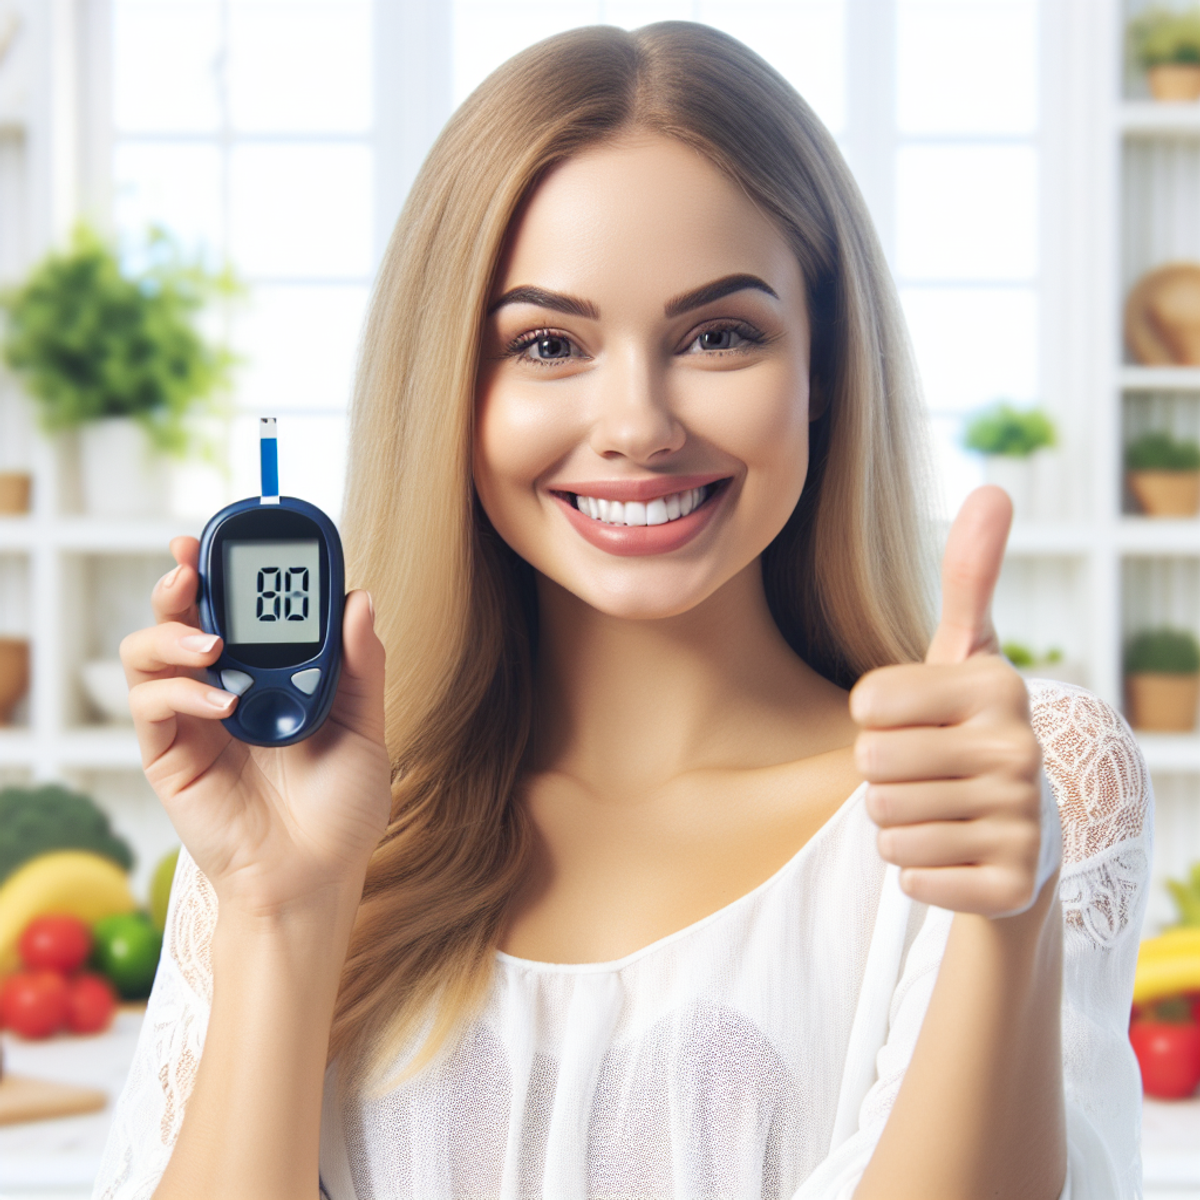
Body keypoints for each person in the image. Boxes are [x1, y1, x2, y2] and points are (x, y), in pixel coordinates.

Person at [95, 22, 1150, 1200]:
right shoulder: (290, 811)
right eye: (548, 343)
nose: (639, 422)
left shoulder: (1001, 785)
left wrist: (1000, 925)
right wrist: (282, 908)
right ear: (451, 387)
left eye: (720, 335)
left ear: (824, 373)